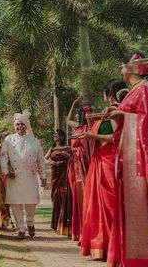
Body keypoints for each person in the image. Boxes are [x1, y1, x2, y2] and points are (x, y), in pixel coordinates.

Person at [107, 62, 148, 267]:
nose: (120, 69)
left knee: (139, 211)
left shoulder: (145, 90)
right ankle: (126, 257)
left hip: (138, 162)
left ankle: (142, 260)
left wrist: (123, 115)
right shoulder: (134, 91)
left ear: (132, 68)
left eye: (122, 66)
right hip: (127, 159)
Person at [79, 81, 126, 260]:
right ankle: (102, 245)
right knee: (99, 204)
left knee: (108, 204)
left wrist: (93, 135)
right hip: (101, 159)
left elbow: (116, 138)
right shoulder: (107, 112)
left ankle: (111, 247)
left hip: (109, 160)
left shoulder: (115, 110)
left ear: (109, 94)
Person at [0, 111, 46, 239]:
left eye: (22, 124)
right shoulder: (9, 139)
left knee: (31, 203)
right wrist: (6, 171)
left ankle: (30, 223)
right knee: (16, 204)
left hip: (30, 176)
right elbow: (3, 157)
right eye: (17, 124)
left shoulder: (34, 141)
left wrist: (43, 176)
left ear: (26, 125)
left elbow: (41, 160)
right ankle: (21, 229)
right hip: (14, 176)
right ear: (14, 126)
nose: (20, 127)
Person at [66, 96, 92, 241]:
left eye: (79, 113)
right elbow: (67, 120)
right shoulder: (77, 128)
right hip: (74, 166)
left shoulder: (91, 129)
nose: (79, 115)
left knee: (85, 198)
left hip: (85, 166)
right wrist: (74, 103)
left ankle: (87, 233)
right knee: (77, 198)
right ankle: (80, 232)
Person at [45, 129, 72, 236]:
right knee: (55, 197)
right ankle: (56, 223)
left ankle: (64, 223)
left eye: (58, 135)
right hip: (54, 174)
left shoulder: (66, 147)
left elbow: (72, 158)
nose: (56, 136)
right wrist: (52, 163)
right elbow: (45, 159)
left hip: (64, 175)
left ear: (62, 137)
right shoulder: (52, 148)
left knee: (63, 196)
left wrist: (65, 159)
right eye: (54, 134)